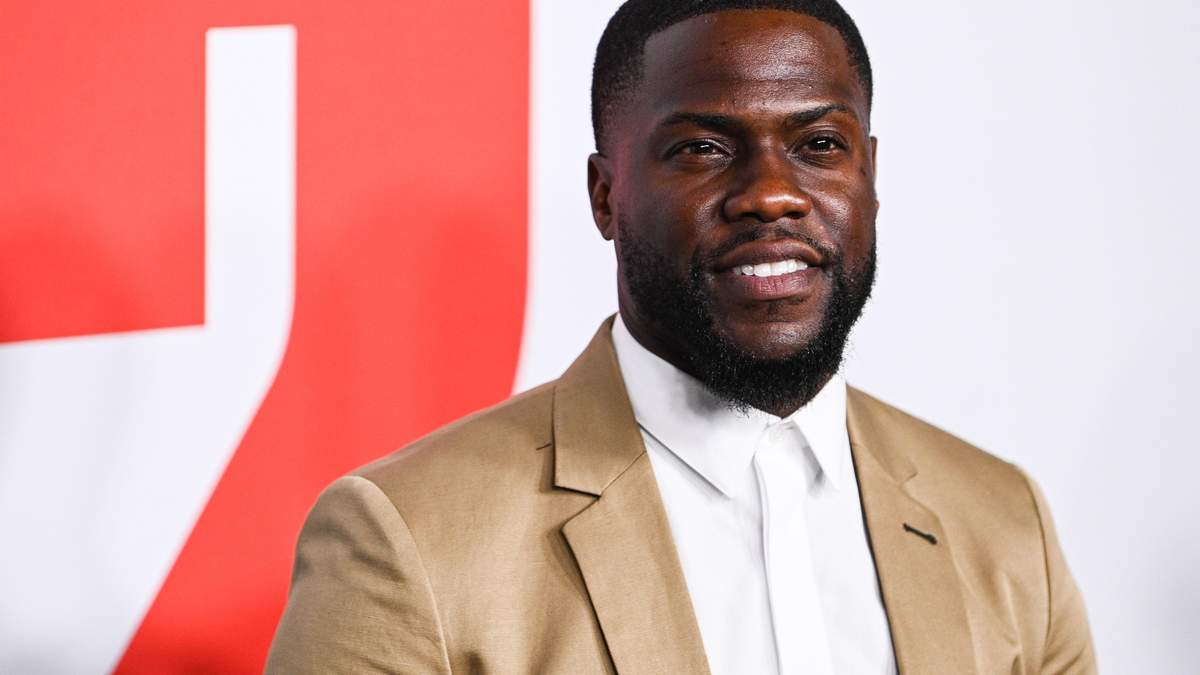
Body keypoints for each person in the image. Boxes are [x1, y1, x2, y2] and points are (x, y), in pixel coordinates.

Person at [266, 1, 1096, 672]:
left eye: (818, 144)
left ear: (870, 175)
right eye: (702, 148)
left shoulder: (1004, 522)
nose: (771, 194)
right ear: (605, 196)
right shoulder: (408, 540)